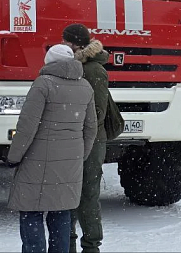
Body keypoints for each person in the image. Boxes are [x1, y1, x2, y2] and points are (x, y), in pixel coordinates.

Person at [7, 44, 97, 253]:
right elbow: (91, 127)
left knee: (31, 210)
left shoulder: (43, 84)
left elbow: (27, 126)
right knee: (61, 211)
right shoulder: (85, 86)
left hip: (37, 161)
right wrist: (80, 156)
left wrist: (14, 156)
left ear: (49, 61)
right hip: (70, 164)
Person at [61, 24, 117, 253]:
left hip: (91, 141)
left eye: (66, 40)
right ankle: (68, 243)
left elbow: (98, 113)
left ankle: (91, 246)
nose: (63, 44)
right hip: (76, 139)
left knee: (87, 193)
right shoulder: (75, 65)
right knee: (69, 192)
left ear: (75, 43)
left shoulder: (93, 70)